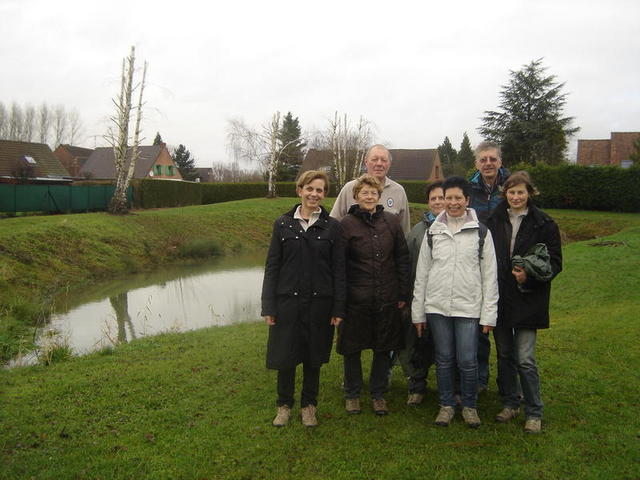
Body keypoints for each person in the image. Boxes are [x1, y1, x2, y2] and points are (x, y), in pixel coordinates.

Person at [261, 170, 346, 428]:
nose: (314, 194)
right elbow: (272, 267)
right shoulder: (283, 224)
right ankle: (284, 405)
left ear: (324, 195)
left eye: (319, 190)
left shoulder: (333, 227)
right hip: (287, 303)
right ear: (300, 190)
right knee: (285, 356)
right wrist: (268, 306)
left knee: (313, 357)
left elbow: (339, 270)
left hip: (320, 304)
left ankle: (309, 406)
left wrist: (338, 307)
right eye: (310, 188)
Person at [412, 176, 499, 428]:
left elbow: (490, 276)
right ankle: (447, 405)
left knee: (468, 360)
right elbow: (422, 275)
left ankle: (469, 406)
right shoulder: (433, 232)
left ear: (467, 200)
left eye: (457, 198)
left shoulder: (481, 233)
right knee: (444, 359)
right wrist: (418, 314)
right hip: (437, 308)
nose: (452, 202)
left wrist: (488, 315)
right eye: (448, 197)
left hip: (468, 308)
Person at [486, 171, 562, 434]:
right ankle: (510, 402)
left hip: (529, 298)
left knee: (525, 358)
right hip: (501, 297)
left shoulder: (545, 224)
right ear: (505, 194)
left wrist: (529, 276)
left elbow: (555, 263)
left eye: (521, 192)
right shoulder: (494, 219)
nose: (516, 197)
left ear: (530, 193)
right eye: (511, 192)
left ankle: (534, 410)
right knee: (505, 354)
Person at [337, 174, 410, 415]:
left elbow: (401, 258)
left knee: (383, 347)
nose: (369, 196)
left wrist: (402, 292)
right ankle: (352, 393)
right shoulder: (345, 224)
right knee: (352, 348)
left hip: (386, 297)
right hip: (355, 300)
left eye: (374, 193)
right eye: (364, 193)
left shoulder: (391, 222)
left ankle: (378, 394)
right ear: (356, 196)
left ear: (380, 196)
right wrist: (341, 297)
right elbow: (339, 264)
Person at [395, 182, 444, 406]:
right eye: (433, 198)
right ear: (428, 202)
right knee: (417, 344)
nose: (438, 202)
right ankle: (417, 386)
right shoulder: (417, 231)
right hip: (420, 298)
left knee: (445, 346)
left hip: (447, 301)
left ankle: (451, 389)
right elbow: (405, 265)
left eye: (442, 198)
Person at [468, 140, 510, 392]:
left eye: (492, 159)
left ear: (500, 161)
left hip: (505, 264)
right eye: (483, 159)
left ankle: (507, 388)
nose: (488, 163)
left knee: (505, 333)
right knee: (478, 331)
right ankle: (480, 381)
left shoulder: (511, 186)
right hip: (476, 265)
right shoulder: (469, 189)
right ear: (477, 163)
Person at [330, 144, 411, 235]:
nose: (379, 163)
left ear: (389, 164)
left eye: (384, 160)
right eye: (374, 159)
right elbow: (333, 223)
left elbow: (405, 231)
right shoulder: (349, 188)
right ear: (366, 161)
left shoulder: (399, 191)